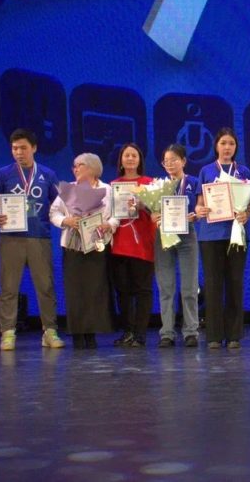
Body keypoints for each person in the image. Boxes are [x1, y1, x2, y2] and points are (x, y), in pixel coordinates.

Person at [0, 128, 64, 351]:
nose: (18, 152)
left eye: (23, 148)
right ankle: (7, 333)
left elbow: (60, 204)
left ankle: (50, 331)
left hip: (39, 237)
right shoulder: (3, 174)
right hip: (10, 238)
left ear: (34, 148)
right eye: (14, 148)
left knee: (45, 286)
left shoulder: (48, 174)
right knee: (9, 287)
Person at [195, 128, 250, 350]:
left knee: (235, 283)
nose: (227, 147)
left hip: (236, 234)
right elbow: (199, 204)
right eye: (223, 143)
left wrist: (246, 214)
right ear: (216, 146)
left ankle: (234, 335)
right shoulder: (206, 170)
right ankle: (213, 335)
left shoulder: (243, 171)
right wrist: (200, 210)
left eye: (231, 143)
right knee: (213, 284)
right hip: (211, 235)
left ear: (236, 147)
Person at [49, 153, 114, 349]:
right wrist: (66, 220)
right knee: (75, 291)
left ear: (93, 168)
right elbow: (53, 212)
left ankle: (91, 334)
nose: (75, 169)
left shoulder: (108, 190)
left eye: (80, 165)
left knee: (94, 291)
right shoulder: (68, 189)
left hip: (97, 244)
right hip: (73, 246)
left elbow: (117, 215)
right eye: (74, 166)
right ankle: (77, 334)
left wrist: (109, 225)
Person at [106, 143, 155, 347]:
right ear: (121, 160)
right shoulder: (113, 185)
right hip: (119, 244)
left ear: (140, 160)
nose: (130, 158)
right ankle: (128, 331)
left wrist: (145, 206)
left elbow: (158, 211)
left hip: (143, 243)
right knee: (123, 291)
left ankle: (140, 334)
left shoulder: (149, 183)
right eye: (127, 155)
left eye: (134, 155)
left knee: (143, 290)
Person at [153, 144, 201, 348]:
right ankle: (167, 332)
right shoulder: (158, 186)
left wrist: (196, 214)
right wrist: (154, 216)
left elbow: (201, 207)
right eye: (166, 161)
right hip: (163, 237)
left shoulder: (194, 182)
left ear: (183, 161)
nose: (170, 164)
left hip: (187, 235)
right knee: (166, 286)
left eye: (174, 160)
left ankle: (191, 331)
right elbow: (152, 211)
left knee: (189, 286)